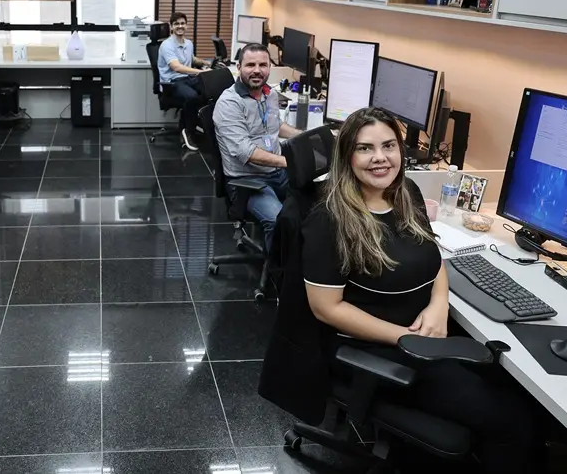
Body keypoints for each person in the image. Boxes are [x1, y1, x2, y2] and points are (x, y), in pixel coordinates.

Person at [302, 107, 544, 474]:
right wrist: (406, 338)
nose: (380, 158)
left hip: (426, 336)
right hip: (376, 349)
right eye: (365, 149)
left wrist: (438, 304)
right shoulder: (329, 220)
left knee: (520, 390)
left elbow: (433, 259)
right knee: (511, 418)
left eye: (388, 146)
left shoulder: (406, 193)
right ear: (347, 155)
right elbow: (326, 308)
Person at [213, 42, 302, 254]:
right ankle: (278, 278)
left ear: (270, 67)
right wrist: (290, 162)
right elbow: (248, 153)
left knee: (321, 203)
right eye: (250, 64)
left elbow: (276, 126)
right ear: (239, 67)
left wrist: (304, 137)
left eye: (263, 64)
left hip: (278, 172)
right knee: (277, 219)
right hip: (247, 181)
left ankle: (306, 264)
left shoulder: (269, 94)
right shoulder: (229, 103)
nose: (257, 70)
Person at [157, 11, 208, 151]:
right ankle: (188, 131)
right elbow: (176, 67)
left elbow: (191, 59)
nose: (180, 26)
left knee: (210, 90)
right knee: (192, 97)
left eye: (183, 23)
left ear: (187, 25)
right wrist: (201, 72)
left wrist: (206, 63)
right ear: (171, 27)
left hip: (188, 79)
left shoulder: (188, 43)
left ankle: (195, 122)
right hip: (172, 82)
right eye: (177, 24)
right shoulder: (167, 45)